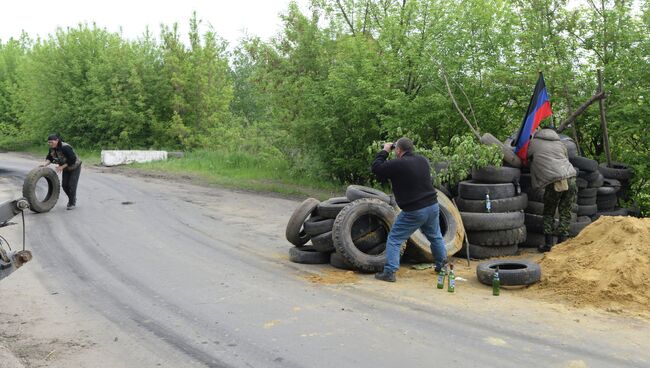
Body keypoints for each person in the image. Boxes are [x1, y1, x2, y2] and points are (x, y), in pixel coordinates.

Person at [371, 137, 447, 282]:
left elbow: (376, 168)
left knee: (394, 239)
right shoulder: (422, 160)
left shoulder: (398, 164)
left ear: (398, 150)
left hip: (415, 210)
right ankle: (442, 266)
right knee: (435, 236)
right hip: (432, 205)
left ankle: (389, 272)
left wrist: (385, 150)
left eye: (395, 150)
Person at [527, 128, 577, 252]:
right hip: (571, 178)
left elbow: (525, 156)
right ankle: (562, 244)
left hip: (554, 180)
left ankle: (548, 245)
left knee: (549, 212)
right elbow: (565, 158)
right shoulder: (560, 143)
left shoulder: (534, 143)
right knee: (565, 212)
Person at [41, 134, 82, 210]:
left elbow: (72, 159)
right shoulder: (52, 149)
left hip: (74, 167)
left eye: (51, 142)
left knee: (71, 185)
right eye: (49, 142)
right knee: (64, 185)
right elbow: (50, 157)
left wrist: (62, 167)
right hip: (65, 168)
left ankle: (72, 203)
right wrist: (44, 165)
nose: (50, 144)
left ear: (57, 140)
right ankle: (72, 198)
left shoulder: (65, 147)